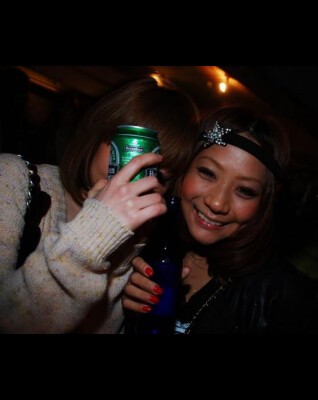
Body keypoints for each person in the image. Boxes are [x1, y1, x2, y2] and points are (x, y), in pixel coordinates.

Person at [0, 77, 199, 333]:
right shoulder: (11, 178)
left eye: (157, 175)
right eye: (128, 154)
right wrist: (95, 232)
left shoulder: (146, 246)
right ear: (98, 134)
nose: (131, 176)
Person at [123, 106, 318, 334]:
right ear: (184, 171)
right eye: (208, 173)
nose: (217, 203)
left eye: (245, 191)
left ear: (263, 204)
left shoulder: (280, 298)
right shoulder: (138, 241)